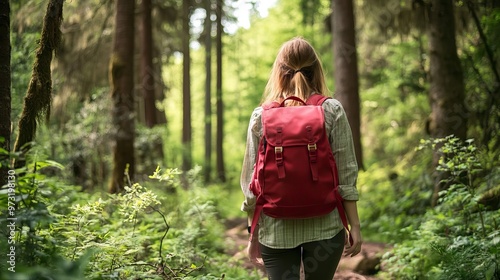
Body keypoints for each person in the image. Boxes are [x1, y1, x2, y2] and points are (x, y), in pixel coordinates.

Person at [240, 37, 362, 279]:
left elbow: (251, 182)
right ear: (316, 69)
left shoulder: (260, 117)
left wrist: (253, 232)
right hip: (326, 228)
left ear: (279, 72)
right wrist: (354, 226)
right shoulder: (332, 110)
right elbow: (347, 173)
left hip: (275, 230)